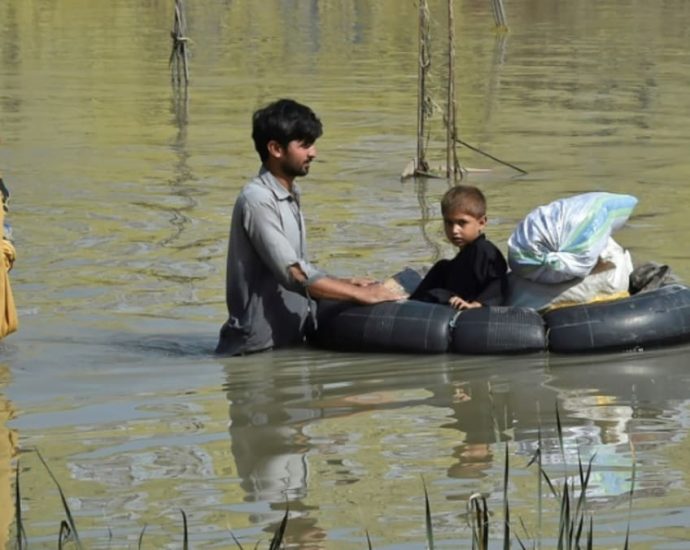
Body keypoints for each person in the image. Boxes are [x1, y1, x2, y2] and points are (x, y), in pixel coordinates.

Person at [216, 98, 403, 356]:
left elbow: (298, 267)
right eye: (304, 145)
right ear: (275, 148)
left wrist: (346, 282)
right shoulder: (257, 200)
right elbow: (294, 274)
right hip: (255, 353)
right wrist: (363, 295)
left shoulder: (290, 192)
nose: (313, 153)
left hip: (287, 345)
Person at [409, 185, 507, 309]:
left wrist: (476, 305)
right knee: (442, 267)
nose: (454, 230)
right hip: (449, 303)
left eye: (462, 223)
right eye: (449, 223)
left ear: (481, 223)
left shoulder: (484, 250)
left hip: (469, 310)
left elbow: (498, 282)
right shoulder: (459, 259)